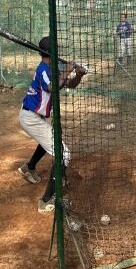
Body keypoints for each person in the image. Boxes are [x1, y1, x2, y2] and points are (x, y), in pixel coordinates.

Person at [17, 36, 86, 213]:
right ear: (51, 52)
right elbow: (52, 87)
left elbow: (68, 84)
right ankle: (46, 201)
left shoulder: (52, 68)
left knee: (49, 141)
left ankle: (29, 167)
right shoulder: (42, 70)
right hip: (31, 117)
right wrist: (68, 69)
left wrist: (77, 74)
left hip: (37, 117)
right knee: (63, 154)